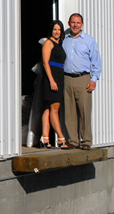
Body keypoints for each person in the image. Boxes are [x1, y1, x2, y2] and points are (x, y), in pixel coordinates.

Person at [63, 13, 102, 150]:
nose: (75, 25)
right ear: (69, 24)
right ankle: (73, 141)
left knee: (84, 111)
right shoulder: (64, 40)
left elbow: (96, 62)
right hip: (67, 78)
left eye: (78, 23)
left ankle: (86, 141)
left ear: (82, 24)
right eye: (73, 22)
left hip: (83, 78)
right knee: (69, 111)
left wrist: (94, 79)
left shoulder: (89, 40)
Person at [40, 20, 69, 149]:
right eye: (54, 29)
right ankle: (61, 139)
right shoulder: (48, 43)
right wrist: (51, 80)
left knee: (48, 108)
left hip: (59, 75)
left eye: (59, 29)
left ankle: (44, 138)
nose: (57, 32)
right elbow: (46, 62)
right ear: (51, 30)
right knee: (55, 109)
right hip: (51, 77)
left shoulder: (59, 44)